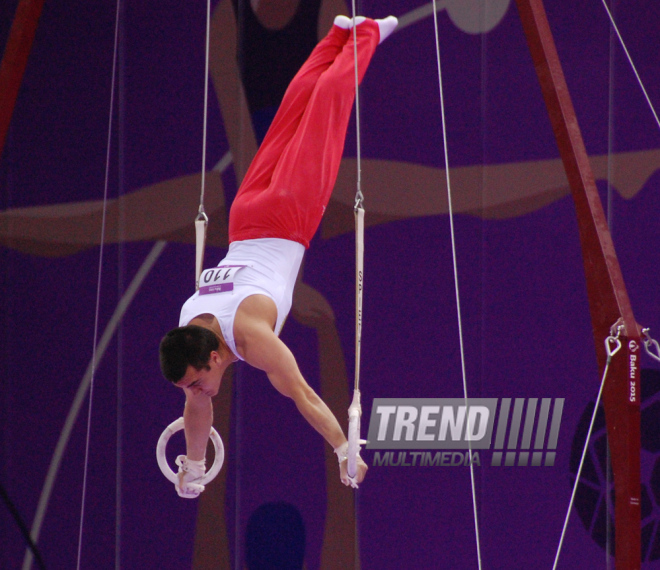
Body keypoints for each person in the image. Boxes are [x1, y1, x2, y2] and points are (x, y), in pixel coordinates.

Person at [159, 15, 398, 498]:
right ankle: (335, 35)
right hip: (244, 217)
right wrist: (195, 467)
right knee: (290, 116)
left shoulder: (249, 338)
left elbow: (303, 394)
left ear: (211, 356)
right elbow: (196, 409)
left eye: (197, 381)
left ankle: (367, 32)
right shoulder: (191, 322)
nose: (199, 392)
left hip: (290, 214)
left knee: (326, 112)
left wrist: (341, 448)